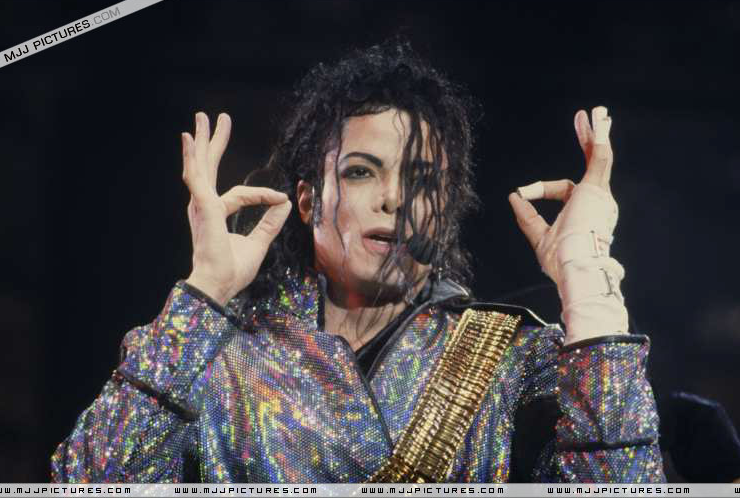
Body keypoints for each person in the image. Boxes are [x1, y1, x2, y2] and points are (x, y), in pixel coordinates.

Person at [51, 40, 664, 483]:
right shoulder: (217, 352)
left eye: (422, 180)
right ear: (308, 200)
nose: (395, 198)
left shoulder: (513, 360)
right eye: (362, 172)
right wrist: (205, 292)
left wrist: (588, 285)